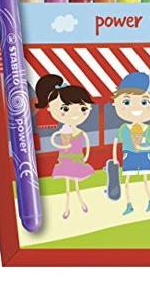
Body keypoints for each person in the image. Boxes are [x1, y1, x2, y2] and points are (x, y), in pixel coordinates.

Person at [35, 74, 94, 219]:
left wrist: (85, 157)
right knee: (67, 186)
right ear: (50, 109)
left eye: (83, 109)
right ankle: (67, 207)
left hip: (77, 160)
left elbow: (86, 145)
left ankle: (81, 202)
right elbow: (58, 144)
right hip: (65, 160)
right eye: (65, 109)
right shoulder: (62, 132)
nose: (75, 114)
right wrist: (62, 144)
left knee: (76, 184)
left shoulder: (80, 132)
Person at [112, 72, 150, 215]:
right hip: (129, 155)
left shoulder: (149, 130)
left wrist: (144, 147)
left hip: (143, 156)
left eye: (144, 102)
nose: (136, 108)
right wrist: (115, 158)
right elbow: (116, 141)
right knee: (127, 182)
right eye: (126, 102)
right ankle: (129, 205)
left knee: (144, 180)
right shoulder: (124, 128)